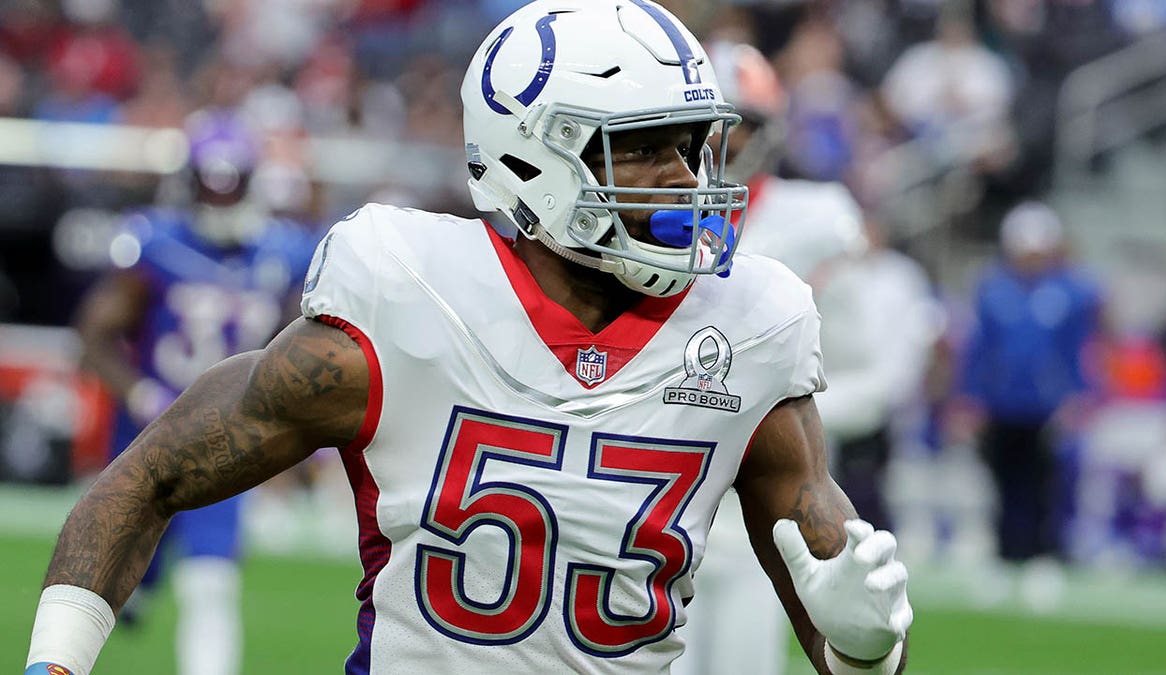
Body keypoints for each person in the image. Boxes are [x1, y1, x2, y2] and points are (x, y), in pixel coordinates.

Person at [26, 3, 911, 675]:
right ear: (534, 159)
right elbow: (149, 478)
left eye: (695, 147)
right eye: (645, 149)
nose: (687, 181)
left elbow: (842, 636)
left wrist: (868, 649)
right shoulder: (408, 293)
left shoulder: (751, 324)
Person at [675, 41, 929, 675]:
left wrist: (762, 411)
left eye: (741, 127)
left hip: (766, 504)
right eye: (706, 128)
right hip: (659, 489)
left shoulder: (817, 219)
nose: (723, 146)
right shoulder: (643, 212)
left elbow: (873, 375)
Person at [68, 109, 318, 675]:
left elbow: (299, 343)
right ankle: (138, 593)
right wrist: (138, 394)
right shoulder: (154, 243)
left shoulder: (282, 252)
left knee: (210, 580)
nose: (222, 201)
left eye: (233, 189)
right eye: (211, 187)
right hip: (150, 430)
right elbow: (94, 332)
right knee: (118, 574)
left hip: (228, 433)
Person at [957, 201, 1104, 566]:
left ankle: (1043, 554)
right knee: (1002, 480)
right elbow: (979, 349)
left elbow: (1078, 350)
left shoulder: (1071, 292)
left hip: (1047, 406)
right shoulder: (993, 290)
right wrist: (969, 398)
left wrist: (1078, 396)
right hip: (1002, 403)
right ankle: (1006, 552)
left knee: (1045, 483)